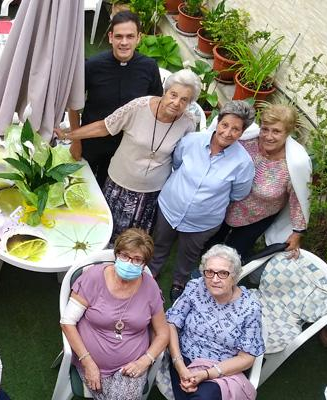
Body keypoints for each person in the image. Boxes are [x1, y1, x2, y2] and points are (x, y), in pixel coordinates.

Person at [58, 69, 199, 241]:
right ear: (165, 91)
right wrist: (70, 135)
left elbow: (183, 157)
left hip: (151, 193)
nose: (176, 103)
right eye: (173, 95)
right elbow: (105, 126)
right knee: (102, 232)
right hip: (119, 185)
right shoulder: (138, 107)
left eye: (184, 99)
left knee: (132, 241)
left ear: (189, 103)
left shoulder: (188, 123)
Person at [148, 100, 256, 302]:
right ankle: (152, 273)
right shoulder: (192, 141)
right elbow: (177, 163)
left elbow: (238, 194)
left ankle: (179, 282)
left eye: (236, 129)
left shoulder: (243, 163)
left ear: (242, 133)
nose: (228, 132)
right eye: (225, 125)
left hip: (203, 222)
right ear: (218, 122)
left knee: (189, 254)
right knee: (160, 243)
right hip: (169, 207)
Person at [60, 229, 169, 399]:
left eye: (137, 259)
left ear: (144, 264)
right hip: (91, 360)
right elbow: (67, 322)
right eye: (125, 256)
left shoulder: (150, 287)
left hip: (133, 365)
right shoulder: (93, 278)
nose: (129, 263)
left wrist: (145, 360)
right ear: (117, 254)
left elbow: (163, 332)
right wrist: (87, 362)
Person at [66, 11, 163, 187]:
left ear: (138, 38)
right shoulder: (93, 65)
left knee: (110, 189)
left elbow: (156, 106)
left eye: (130, 36)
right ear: (110, 37)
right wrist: (76, 141)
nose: (124, 42)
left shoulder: (149, 67)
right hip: (91, 141)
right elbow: (74, 106)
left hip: (127, 147)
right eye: (119, 36)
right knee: (80, 185)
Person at [209, 104, 310, 263]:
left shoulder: (293, 165)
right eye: (265, 129)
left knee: (233, 255)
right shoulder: (247, 142)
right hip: (226, 204)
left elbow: (299, 200)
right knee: (211, 240)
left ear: (288, 133)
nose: (268, 136)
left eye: (276, 131)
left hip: (258, 216)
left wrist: (297, 233)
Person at [166, 245, 264, 400]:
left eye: (223, 273)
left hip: (221, 370)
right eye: (209, 272)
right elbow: (171, 323)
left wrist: (207, 374)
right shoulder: (195, 287)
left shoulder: (250, 307)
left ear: (235, 276)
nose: (215, 279)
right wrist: (179, 365)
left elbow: (247, 357)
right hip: (184, 359)